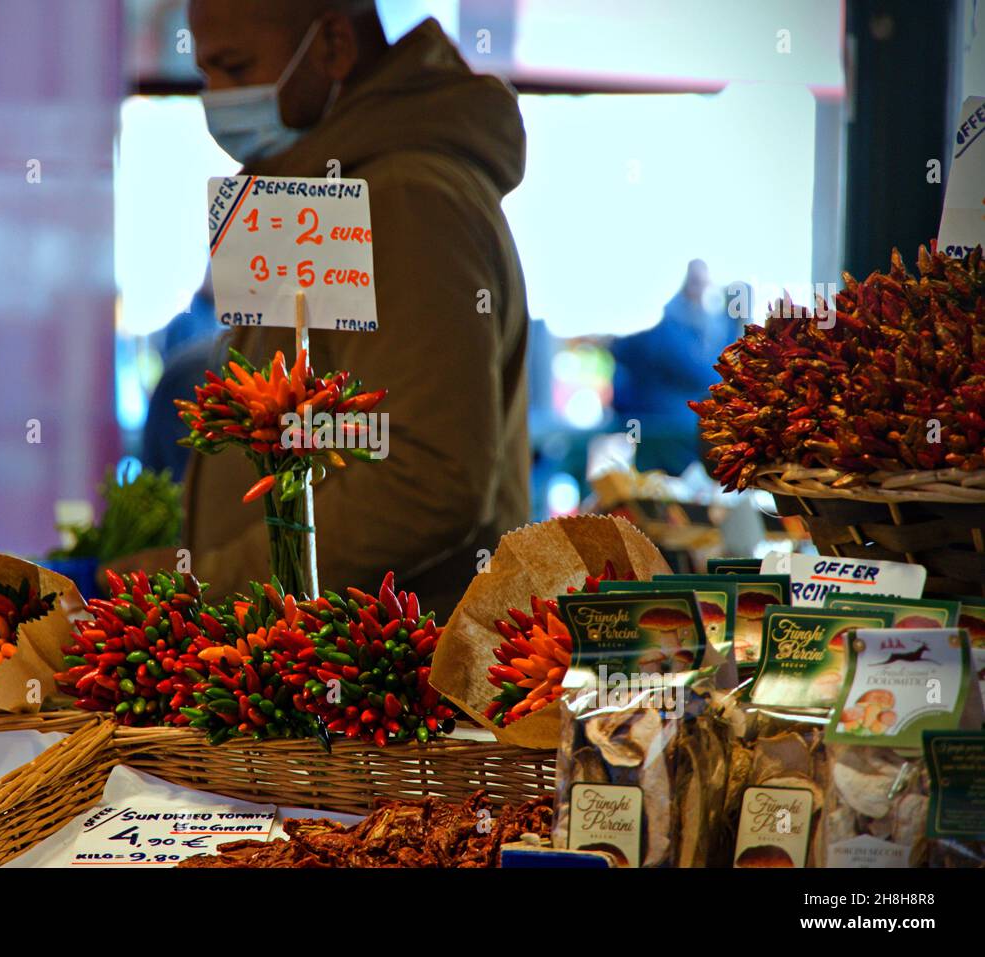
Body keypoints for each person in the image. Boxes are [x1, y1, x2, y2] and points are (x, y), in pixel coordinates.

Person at [118, 0, 531, 619]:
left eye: (233, 67)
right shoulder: (323, 186)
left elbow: (428, 477)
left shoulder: (409, 201)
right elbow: (307, 431)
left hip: (386, 681)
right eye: (206, 75)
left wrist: (213, 584)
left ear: (334, 45)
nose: (217, 99)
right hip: (311, 664)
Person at [611, 259, 736, 476]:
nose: (701, 290)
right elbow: (705, 376)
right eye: (695, 283)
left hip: (650, 427)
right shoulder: (669, 325)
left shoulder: (693, 323)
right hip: (666, 429)